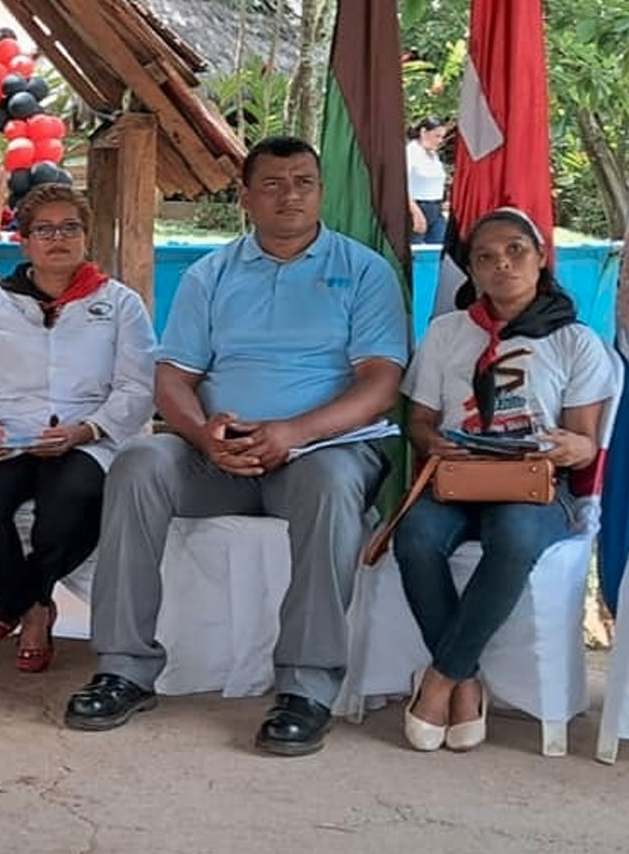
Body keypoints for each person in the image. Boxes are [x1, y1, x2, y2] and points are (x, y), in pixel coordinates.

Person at [63, 135, 409, 756]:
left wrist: (293, 433)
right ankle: (124, 669)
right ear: (246, 197)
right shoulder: (211, 274)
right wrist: (201, 434)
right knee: (140, 462)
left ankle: (306, 688)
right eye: (272, 185)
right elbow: (172, 378)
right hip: (217, 453)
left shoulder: (363, 271)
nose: (290, 196)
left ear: (321, 190)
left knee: (333, 486)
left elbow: (382, 383)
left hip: (318, 451)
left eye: (304, 182)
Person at [393, 208, 615, 752]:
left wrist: (570, 445)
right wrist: (431, 441)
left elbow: (586, 443)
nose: (503, 265)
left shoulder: (574, 341)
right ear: (470, 270)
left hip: (534, 486)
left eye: (516, 250)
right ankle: (467, 678)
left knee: (514, 537)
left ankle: (442, 679)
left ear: (541, 258)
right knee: (414, 537)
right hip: (458, 477)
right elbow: (418, 421)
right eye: (486, 257)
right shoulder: (448, 332)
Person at [0, 184, 155, 673]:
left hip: (85, 439)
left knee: (72, 503)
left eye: (70, 228)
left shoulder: (120, 304)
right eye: (44, 229)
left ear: (87, 237)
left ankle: (20, 605)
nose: (57, 238)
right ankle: (32, 603)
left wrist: (87, 430)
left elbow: (136, 387)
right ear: (23, 240)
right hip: (7, 438)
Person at [407, 117, 448, 245]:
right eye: (436, 136)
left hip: (436, 208)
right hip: (417, 206)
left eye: (442, 137)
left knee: (440, 248)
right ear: (424, 132)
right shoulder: (410, 153)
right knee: (417, 250)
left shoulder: (433, 155)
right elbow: (402, 186)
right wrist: (415, 212)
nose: (440, 141)